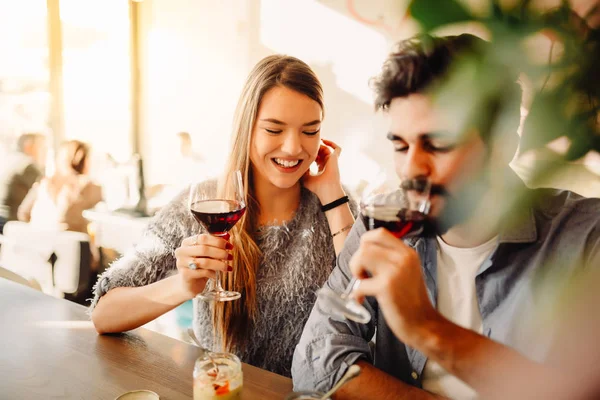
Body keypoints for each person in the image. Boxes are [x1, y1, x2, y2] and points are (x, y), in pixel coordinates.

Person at [292, 34, 600, 399]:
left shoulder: (584, 241)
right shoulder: (383, 220)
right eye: (400, 145)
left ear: (503, 143)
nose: (411, 169)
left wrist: (428, 328)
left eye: (438, 144)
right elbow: (315, 361)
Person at [89, 55, 356, 377]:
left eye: (310, 131)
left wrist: (332, 195)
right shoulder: (202, 202)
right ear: (246, 128)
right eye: (274, 129)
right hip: (223, 389)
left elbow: (366, 304)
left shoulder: (335, 203)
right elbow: (104, 316)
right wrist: (184, 285)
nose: (292, 148)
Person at [18, 140, 102, 234]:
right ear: (86, 161)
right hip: (71, 245)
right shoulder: (87, 186)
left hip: (39, 243)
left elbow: (23, 213)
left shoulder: (43, 183)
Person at [0, 133, 46, 233]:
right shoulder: (28, 166)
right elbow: (45, 193)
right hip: (10, 222)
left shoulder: (9, 160)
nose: (45, 153)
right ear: (28, 147)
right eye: (42, 148)